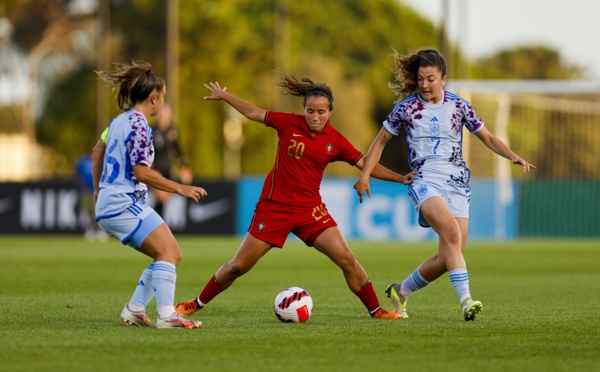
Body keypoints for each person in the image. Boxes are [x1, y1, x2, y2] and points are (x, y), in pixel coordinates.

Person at [175, 74, 417, 320]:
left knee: (346, 258)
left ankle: (375, 311)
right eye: (310, 111)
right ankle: (197, 302)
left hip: (310, 210)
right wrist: (225, 96)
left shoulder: (336, 141)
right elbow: (253, 113)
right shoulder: (288, 123)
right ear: (304, 110)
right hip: (274, 208)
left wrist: (400, 178)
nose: (315, 117)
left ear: (330, 112)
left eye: (321, 112)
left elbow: (366, 164)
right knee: (238, 265)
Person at [354, 49, 536, 321]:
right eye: (420, 79)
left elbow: (486, 137)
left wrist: (513, 156)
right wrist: (365, 175)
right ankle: (466, 302)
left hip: (458, 182)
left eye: (430, 79)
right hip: (425, 179)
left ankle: (400, 291)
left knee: (450, 254)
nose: (424, 85)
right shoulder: (405, 109)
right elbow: (379, 142)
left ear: (443, 80)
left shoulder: (460, 106)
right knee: (451, 233)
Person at [92, 61, 207, 329]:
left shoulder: (118, 120)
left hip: (111, 202)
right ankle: (167, 314)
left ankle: (134, 309)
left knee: (166, 253)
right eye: (163, 97)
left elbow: (98, 150)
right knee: (170, 250)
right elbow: (142, 172)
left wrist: (98, 189)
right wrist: (180, 187)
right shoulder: (141, 126)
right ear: (154, 96)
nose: (163, 102)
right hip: (123, 202)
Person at [150, 104, 193, 217]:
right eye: (162, 115)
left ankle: (156, 224)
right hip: (155, 170)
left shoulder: (173, 130)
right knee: (161, 197)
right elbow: (147, 152)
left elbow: (178, 151)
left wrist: (185, 167)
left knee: (164, 199)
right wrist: (151, 168)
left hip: (169, 171)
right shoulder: (152, 131)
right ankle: (155, 224)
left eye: (166, 115)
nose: (163, 117)